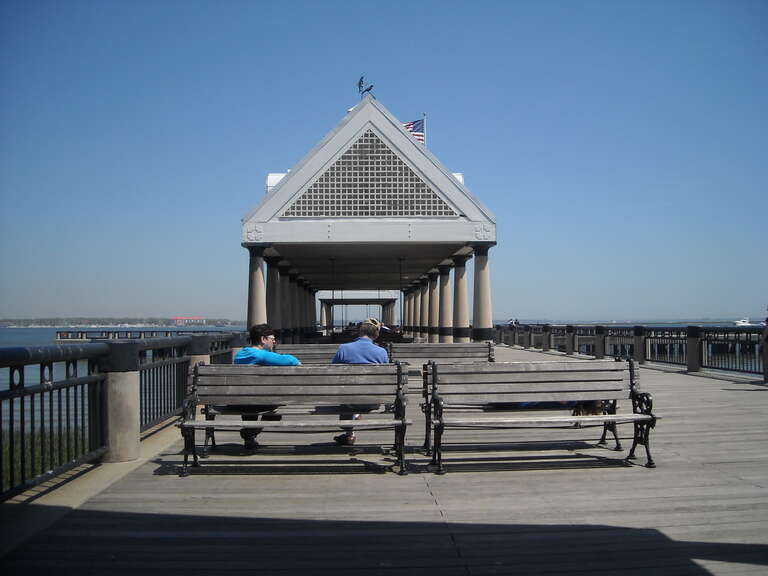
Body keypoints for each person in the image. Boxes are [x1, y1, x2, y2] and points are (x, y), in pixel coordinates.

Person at [233, 323, 300, 450]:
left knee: (250, 399)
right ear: (263, 339)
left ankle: (249, 436)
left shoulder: (239, 355)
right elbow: (291, 360)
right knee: (275, 410)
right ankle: (251, 432)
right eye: (272, 339)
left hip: (238, 400)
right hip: (258, 401)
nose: (274, 342)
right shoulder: (260, 355)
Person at [331, 317, 389, 445]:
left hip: (349, 400)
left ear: (360, 331)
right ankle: (354, 417)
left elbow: (333, 372)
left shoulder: (344, 349)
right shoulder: (382, 352)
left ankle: (349, 433)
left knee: (347, 395)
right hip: (372, 401)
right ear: (376, 334)